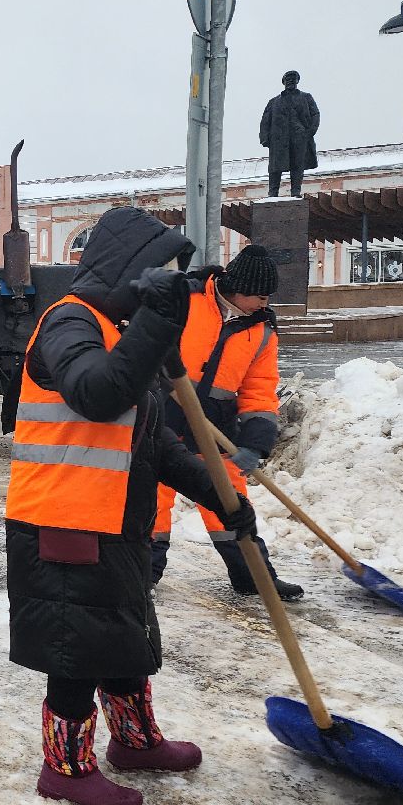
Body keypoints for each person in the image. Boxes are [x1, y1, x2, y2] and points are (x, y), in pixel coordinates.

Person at [6, 206, 257, 805]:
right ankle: (64, 767)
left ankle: (135, 740)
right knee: (78, 645)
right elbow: (97, 394)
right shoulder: (68, 322)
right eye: (157, 273)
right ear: (126, 269)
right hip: (63, 521)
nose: (164, 285)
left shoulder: (120, 333)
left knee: (120, 631)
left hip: (113, 519)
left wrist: (222, 494)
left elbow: (156, 444)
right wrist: (157, 324)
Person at [151, 246, 303, 601]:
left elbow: (259, 389)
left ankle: (255, 578)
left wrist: (256, 441)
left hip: (215, 428)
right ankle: (142, 577)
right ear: (237, 287)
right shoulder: (184, 299)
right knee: (151, 506)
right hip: (163, 419)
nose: (264, 304)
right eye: (260, 295)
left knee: (231, 507)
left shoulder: (262, 331)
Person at [259, 70, 320, 198]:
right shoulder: (274, 102)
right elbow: (265, 120)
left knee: (297, 165)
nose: (291, 80)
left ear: (297, 81)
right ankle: (272, 192)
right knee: (275, 167)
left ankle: (295, 192)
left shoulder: (306, 97)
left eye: (294, 78)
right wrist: (264, 138)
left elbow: (315, 114)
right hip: (279, 139)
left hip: (299, 137)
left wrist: (310, 132)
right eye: (288, 78)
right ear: (284, 82)